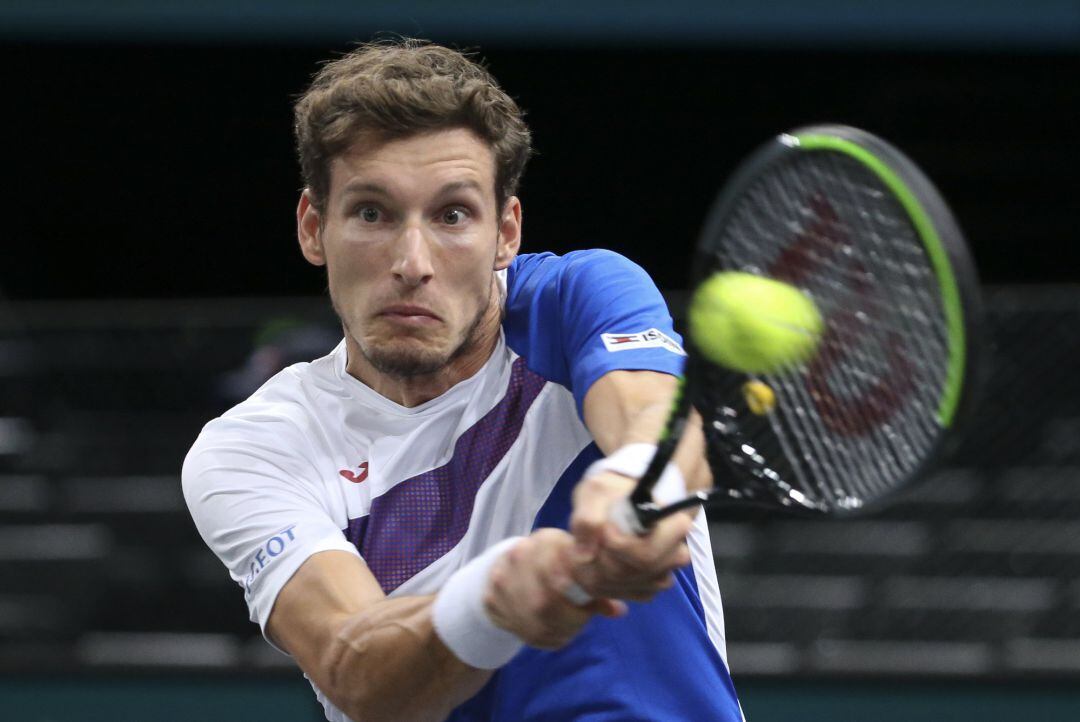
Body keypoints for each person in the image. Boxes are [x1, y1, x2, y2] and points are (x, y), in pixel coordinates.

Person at [182, 39, 743, 722]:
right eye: (371, 213)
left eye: (452, 215)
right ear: (313, 227)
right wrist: (492, 603)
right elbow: (354, 670)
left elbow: (658, 421)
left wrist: (637, 481)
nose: (411, 261)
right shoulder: (255, 447)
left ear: (506, 231)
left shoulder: (575, 299)